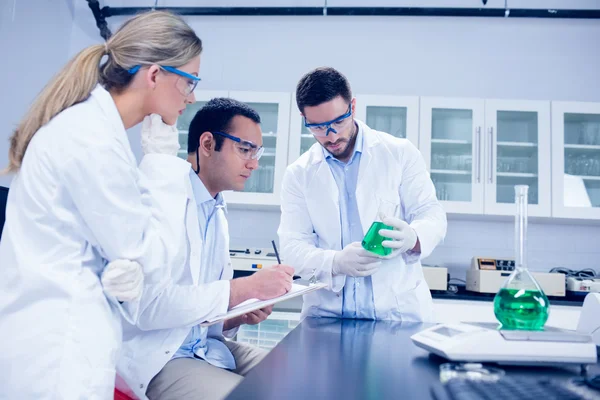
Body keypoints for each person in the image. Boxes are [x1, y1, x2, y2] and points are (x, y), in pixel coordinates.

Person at [0, 11, 203, 399]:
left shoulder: (92, 131)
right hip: (58, 354)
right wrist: (161, 163)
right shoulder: (91, 142)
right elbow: (152, 261)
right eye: (190, 81)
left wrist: (127, 269)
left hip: (58, 341)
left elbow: (128, 255)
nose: (192, 97)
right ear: (156, 75)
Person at [115, 98, 294, 400]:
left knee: (296, 378)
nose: (254, 163)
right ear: (208, 144)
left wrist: (238, 314)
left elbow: (200, 311)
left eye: (256, 152)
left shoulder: (216, 210)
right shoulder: (161, 202)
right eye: (245, 149)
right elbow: (150, 307)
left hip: (206, 347)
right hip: (162, 357)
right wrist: (241, 288)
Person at [278, 67, 447, 322]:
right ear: (304, 118)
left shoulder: (399, 154)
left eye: (338, 121)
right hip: (328, 316)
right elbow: (291, 247)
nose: (331, 135)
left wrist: (413, 236)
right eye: (318, 127)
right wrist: (335, 262)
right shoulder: (299, 174)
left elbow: (431, 214)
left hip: (397, 315)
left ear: (352, 107)